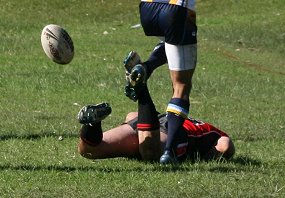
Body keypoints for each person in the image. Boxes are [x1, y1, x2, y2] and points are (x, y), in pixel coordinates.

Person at [124, 0, 198, 164]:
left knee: (170, 43)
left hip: (147, 8)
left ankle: (146, 67)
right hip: (176, 9)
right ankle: (169, 151)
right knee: (181, 87)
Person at [77, 93, 235, 163]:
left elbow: (131, 115)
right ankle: (143, 93)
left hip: (149, 119)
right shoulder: (214, 133)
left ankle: (92, 124)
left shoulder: (198, 125)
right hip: (175, 133)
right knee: (150, 154)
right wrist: (202, 159)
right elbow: (225, 145)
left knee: (89, 151)